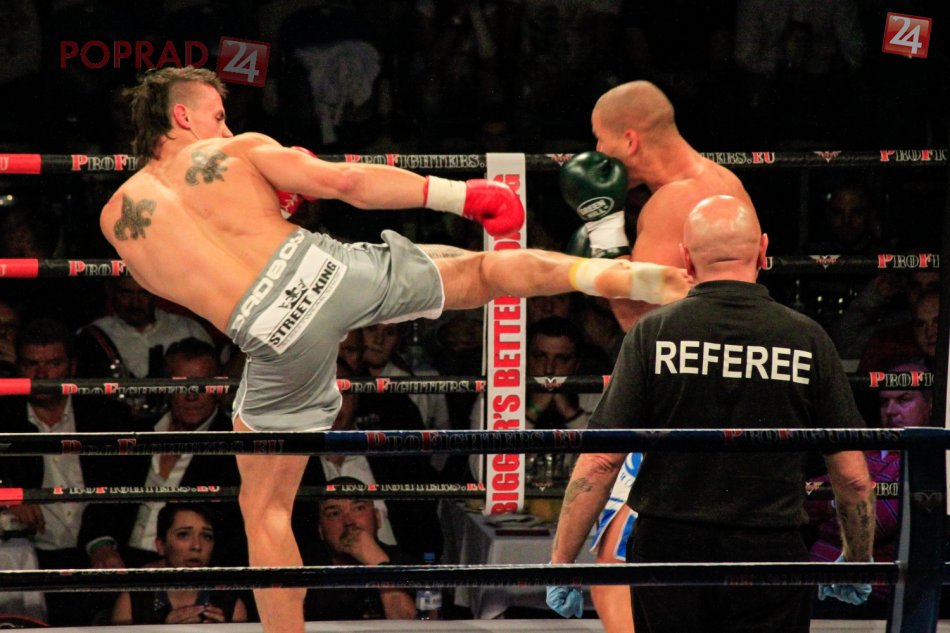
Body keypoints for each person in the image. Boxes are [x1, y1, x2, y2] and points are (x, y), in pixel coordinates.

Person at [100, 66, 690, 633]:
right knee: (479, 272)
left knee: (265, 511)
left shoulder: (116, 219)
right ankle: (602, 273)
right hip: (323, 269)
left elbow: (177, 292)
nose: (226, 126)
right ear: (183, 115)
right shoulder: (234, 151)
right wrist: (463, 195)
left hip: (268, 330)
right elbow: (348, 183)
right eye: (217, 115)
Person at [547, 195, 876, 633]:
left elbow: (602, 460)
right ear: (763, 250)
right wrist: (858, 559)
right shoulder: (807, 339)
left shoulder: (654, 333)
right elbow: (852, 477)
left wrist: (562, 562)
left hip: (669, 553)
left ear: (686, 259)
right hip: (769, 552)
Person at [560, 79, 755, 633]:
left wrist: (603, 236)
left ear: (629, 139)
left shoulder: (673, 203)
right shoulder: (723, 184)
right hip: (729, 388)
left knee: (615, 551)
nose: (597, 154)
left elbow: (636, 320)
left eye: (601, 140)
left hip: (677, 394)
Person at [0, 318, 132, 626]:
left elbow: (122, 488)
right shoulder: (4, 415)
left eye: (53, 363)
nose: (42, 375)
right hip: (31, 558)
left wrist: (101, 542)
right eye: (31, 364)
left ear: (72, 367)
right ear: (18, 367)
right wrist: (9, 494)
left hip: (96, 550)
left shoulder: (105, 416)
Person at [81, 338, 243, 570]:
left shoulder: (235, 445)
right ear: (165, 385)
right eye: (181, 385)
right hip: (122, 566)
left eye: (202, 384)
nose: (192, 395)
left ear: (219, 386)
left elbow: (234, 535)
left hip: (191, 574)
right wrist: (102, 547)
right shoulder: (135, 433)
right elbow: (100, 506)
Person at [808, 361, 931, 618]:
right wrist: (851, 499)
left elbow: (880, 521)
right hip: (815, 577)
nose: (891, 411)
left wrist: (839, 497)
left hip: (868, 594)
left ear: (929, 404)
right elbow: (807, 498)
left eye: (903, 400)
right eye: (884, 402)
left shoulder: (929, 459)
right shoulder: (865, 447)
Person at [75, 275, 215, 423]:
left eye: (143, 293)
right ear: (109, 289)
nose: (135, 303)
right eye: (125, 293)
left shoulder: (188, 329)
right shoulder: (91, 337)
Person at [303, 476, 418, 621]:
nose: (348, 521)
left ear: (377, 518)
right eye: (334, 513)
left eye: (358, 508)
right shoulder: (305, 571)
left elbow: (411, 627)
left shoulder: (405, 563)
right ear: (321, 530)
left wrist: (379, 564)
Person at [111, 503, 248, 625]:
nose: (196, 546)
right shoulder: (132, 601)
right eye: (183, 534)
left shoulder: (232, 606)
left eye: (206, 536)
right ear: (161, 545)